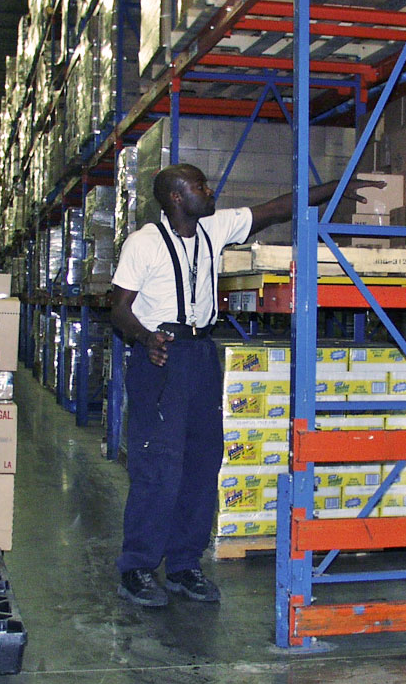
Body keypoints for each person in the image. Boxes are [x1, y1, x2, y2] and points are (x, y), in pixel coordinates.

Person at [109, 163, 376, 607]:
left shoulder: (215, 227)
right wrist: (144, 337)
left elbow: (274, 210)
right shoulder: (143, 244)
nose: (209, 190)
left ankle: (183, 565)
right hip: (161, 355)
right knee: (158, 465)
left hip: (199, 355)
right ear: (175, 197)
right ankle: (136, 567)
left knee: (201, 460)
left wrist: (337, 186)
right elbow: (118, 307)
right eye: (199, 186)